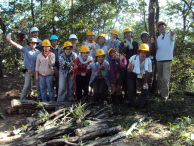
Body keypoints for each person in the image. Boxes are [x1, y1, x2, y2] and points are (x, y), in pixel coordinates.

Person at [6, 33, 40, 100]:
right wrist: (10, 40)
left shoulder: (38, 52)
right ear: (29, 44)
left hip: (36, 71)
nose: (33, 44)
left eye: (34, 43)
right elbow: (17, 46)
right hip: (28, 70)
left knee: (38, 86)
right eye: (31, 43)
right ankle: (21, 100)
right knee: (26, 85)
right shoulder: (26, 50)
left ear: (36, 44)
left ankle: (39, 100)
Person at [127, 44, 152, 109]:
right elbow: (128, 71)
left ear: (147, 54)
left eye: (145, 52)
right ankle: (132, 104)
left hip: (142, 75)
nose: (143, 54)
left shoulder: (149, 61)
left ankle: (141, 104)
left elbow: (148, 73)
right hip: (132, 74)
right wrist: (129, 68)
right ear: (139, 52)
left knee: (145, 88)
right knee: (131, 88)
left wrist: (145, 82)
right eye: (141, 52)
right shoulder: (133, 58)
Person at [156, 21, 176, 100]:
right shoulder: (159, 37)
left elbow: (172, 37)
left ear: (165, 27)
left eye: (162, 26)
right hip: (159, 60)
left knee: (165, 78)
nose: (161, 28)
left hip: (167, 60)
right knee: (160, 78)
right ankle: (161, 93)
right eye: (159, 27)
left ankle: (164, 97)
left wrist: (172, 33)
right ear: (158, 29)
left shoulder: (170, 34)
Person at [119, 28, 138, 99]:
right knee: (126, 78)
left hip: (135, 62)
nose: (128, 34)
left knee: (134, 77)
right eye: (126, 33)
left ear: (131, 34)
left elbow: (137, 53)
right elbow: (121, 53)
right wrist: (125, 47)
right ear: (124, 35)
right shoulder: (122, 43)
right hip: (126, 62)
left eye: (129, 33)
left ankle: (134, 93)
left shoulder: (135, 43)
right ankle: (126, 93)